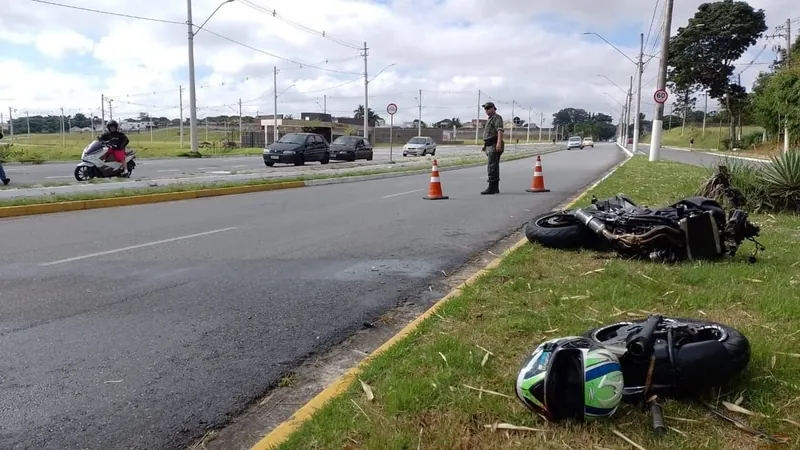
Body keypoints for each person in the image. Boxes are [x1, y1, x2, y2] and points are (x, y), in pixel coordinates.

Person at [480, 102, 504, 195]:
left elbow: (499, 130)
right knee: (493, 165)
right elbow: (489, 133)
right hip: (489, 144)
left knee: (492, 166)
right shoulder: (490, 119)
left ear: (494, 108)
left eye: (489, 108)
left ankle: (492, 187)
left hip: (494, 144)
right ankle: (494, 187)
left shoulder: (497, 118)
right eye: (485, 108)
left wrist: (498, 143)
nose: (487, 110)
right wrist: (485, 145)